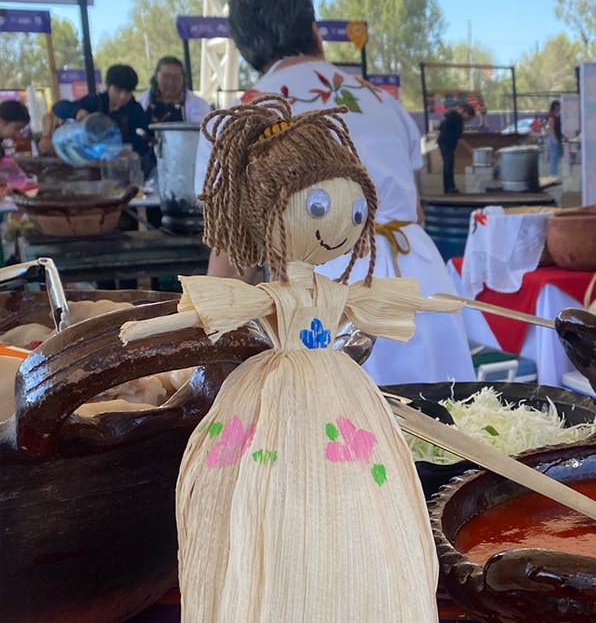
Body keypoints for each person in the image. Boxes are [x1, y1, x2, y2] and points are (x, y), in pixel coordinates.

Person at [123, 95, 450, 621]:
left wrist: (430, 300)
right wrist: (146, 326)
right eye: (317, 208)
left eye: (355, 211)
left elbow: (373, 304)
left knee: (358, 497)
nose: (339, 228)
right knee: (271, 497)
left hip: (340, 390)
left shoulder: (333, 289)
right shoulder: (274, 295)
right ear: (263, 212)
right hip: (275, 387)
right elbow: (225, 303)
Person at [197, 0, 475, 386]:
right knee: (448, 416)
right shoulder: (383, 99)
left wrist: (206, 333)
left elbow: (232, 256)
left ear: (246, 48)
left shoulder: (240, 118)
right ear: (314, 31)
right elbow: (413, 208)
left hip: (329, 288)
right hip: (419, 275)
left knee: (349, 432)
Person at [53, 64, 150, 159]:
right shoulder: (94, 102)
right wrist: (77, 111)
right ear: (108, 87)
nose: (123, 96)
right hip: (91, 160)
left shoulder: (136, 110)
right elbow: (59, 107)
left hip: (122, 162)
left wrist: (136, 153)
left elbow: (145, 138)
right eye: (118, 90)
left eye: (128, 92)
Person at [138, 56, 212, 124]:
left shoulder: (197, 104)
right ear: (156, 76)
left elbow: (202, 131)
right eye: (166, 76)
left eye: (176, 78)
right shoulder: (144, 99)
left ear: (183, 79)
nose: (171, 82)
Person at [436, 103, 475, 194]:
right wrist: (470, 150)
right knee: (449, 164)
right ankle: (450, 188)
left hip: (443, 141)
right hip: (446, 142)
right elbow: (460, 138)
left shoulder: (451, 115)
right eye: (469, 117)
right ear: (465, 113)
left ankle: (448, 187)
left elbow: (440, 127)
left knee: (448, 164)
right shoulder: (458, 119)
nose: (469, 119)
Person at [546, 99, 564, 177]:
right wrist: (554, 139)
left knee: (558, 155)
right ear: (555, 106)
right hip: (553, 139)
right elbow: (551, 129)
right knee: (554, 157)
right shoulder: (551, 116)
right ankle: (553, 174)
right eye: (559, 106)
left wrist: (563, 136)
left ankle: (554, 172)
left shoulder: (557, 116)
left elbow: (557, 129)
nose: (560, 107)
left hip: (558, 138)